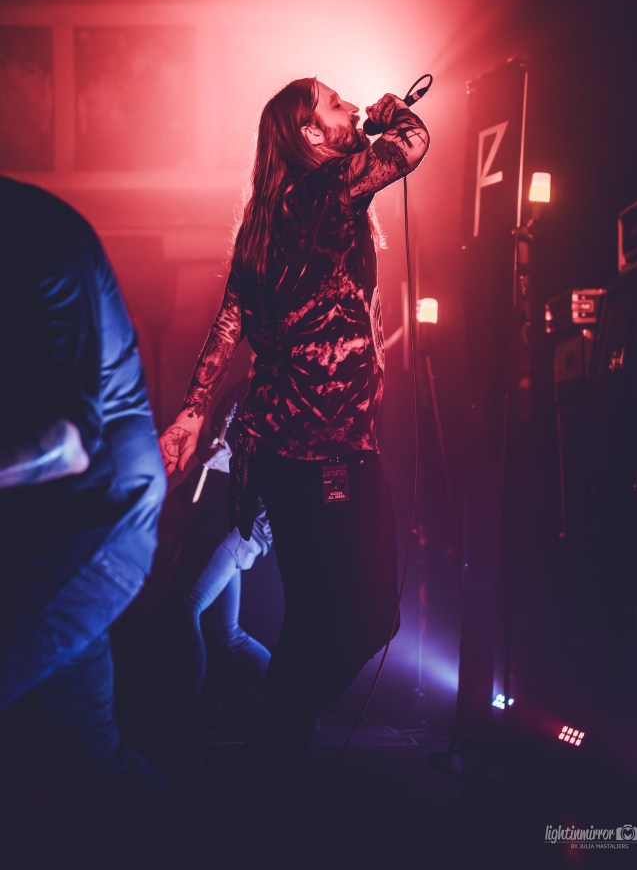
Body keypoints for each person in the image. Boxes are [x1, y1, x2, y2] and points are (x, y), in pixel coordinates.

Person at [158, 78, 429, 809]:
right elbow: (411, 145)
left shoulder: (266, 218)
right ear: (311, 135)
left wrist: (191, 413)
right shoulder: (325, 190)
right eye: (337, 105)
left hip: (280, 453)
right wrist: (391, 112)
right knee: (370, 615)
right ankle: (274, 746)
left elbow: (228, 324)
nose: (352, 111)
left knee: (313, 616)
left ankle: (274, 780)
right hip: (328, 450)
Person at [0, 176, 180, 861]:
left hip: (98, 526)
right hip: (39, 530)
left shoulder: (36, 237)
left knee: (96, 761)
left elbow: (65, 443)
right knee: (96, 762)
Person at [157, 414, 273, 772]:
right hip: (234, 523)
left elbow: (271, 474)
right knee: (230, 634)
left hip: (249, 527)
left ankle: (180, 732)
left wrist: (226, 461)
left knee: (186, 608)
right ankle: (294, 707)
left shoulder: (285, 408)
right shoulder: (246, 404)